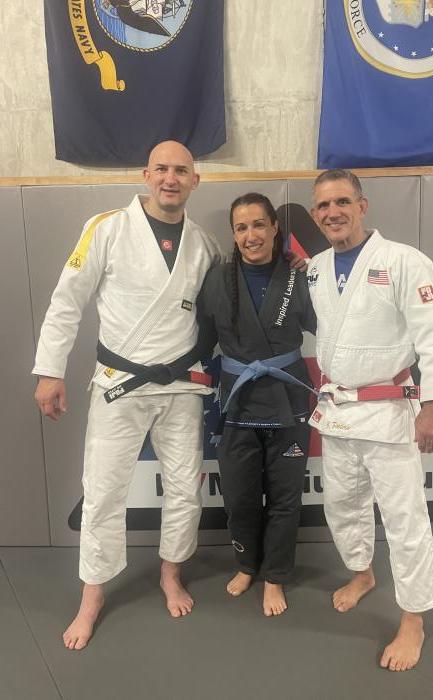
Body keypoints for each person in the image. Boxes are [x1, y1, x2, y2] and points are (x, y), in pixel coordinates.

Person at [33, 141, 222, 650]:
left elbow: (214, 317)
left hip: (182, 385)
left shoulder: (205, 245)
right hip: (120, 383)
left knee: (184, 487)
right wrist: (49, 371)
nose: (170, 178)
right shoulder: (106, 228)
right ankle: (93, 593)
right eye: (161, 169)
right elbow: (67, 300)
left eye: (180, 170)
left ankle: (170, 573)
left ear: (195, 180)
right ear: (145, 174)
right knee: (103, 490)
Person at [307, 169, 433, 671]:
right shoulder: (314, 269)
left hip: (389, 409)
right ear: (315, 214)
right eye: (323, 205)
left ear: (362, 205)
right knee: (342, 504)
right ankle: (362, 573)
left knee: (403, 518)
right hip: (337, 410)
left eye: (342, 201)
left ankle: (413, 618)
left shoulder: (404, 261)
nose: (333, 212)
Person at [197, 193, 317, 616]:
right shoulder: (217, 279)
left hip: (288, 399)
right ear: (233, 234)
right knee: (239, 495)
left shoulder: (300, 276)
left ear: (274, 227)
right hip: (238, 400)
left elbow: (331, 327)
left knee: (285, 496)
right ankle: (247, 564)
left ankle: (275, 576)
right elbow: (200, 338)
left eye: (259, 224)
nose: (251, 235)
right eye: (242, 227)